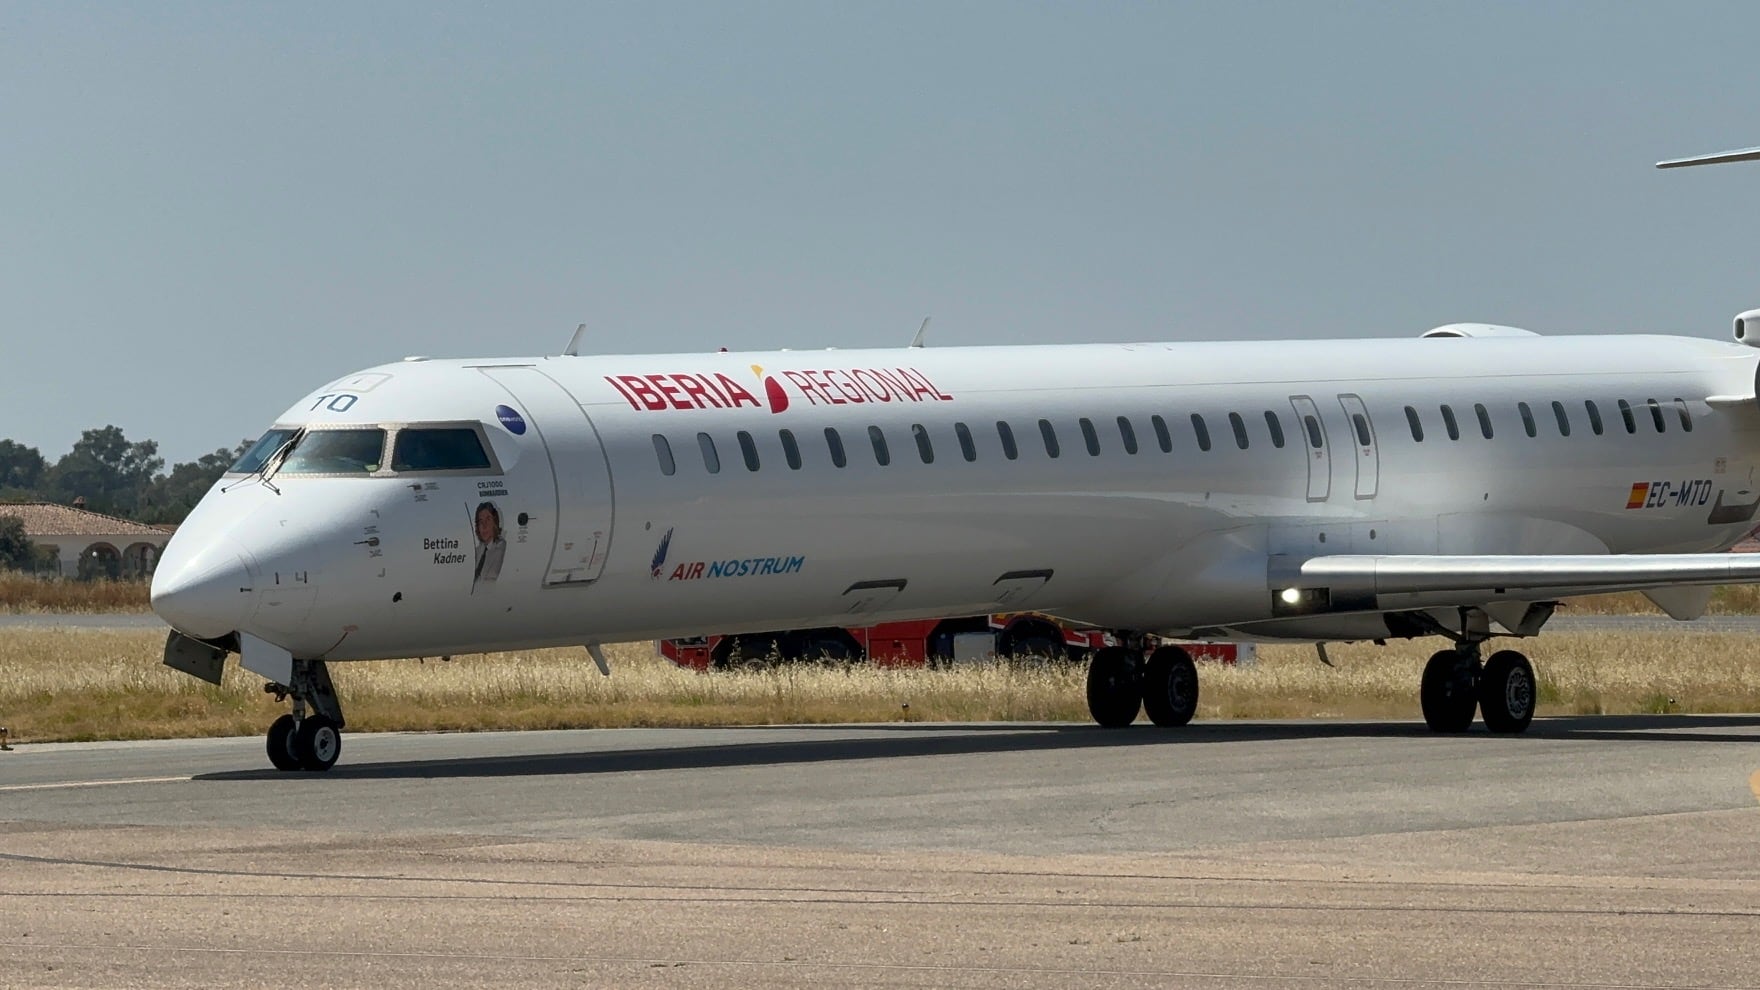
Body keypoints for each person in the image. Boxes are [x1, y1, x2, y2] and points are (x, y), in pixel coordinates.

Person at [472, 501, 505, 590]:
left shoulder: (501, 549)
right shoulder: (478, 551)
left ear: (495, 522)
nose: (484, 525)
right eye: (481, 521)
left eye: (488, 519)